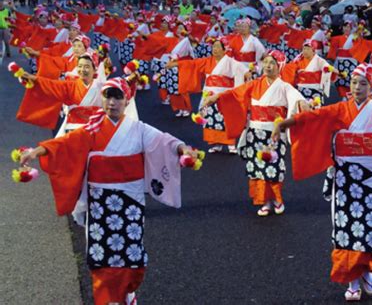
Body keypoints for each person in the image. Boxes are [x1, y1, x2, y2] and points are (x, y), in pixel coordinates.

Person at [19, 77, 200, 305]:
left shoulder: (138, 129)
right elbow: (65, 144)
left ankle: (127, 291)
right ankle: (106, 299)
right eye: (107, 96)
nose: (112, 102)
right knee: (101, 256)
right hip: (100, 201)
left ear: (127, 100)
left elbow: (164, 141)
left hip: (130, 200)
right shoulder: (92, 128)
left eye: (117, 97)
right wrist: (37, 151)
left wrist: (182, 147)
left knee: (131, 255)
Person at [272, 63, 372, 302]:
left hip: (371, 179)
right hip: (344, 177)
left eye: (363, 83)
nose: (357, 87)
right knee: (345, 229)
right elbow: (315, 116)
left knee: (370, 229)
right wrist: (286, 123)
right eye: (353, 82)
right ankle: (351, 279)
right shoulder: (340, 108)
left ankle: (368, 270)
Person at [202, 51, 310, 216]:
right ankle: (264, 201)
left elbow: (296, 98)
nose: (267, 66)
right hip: (254, 131)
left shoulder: (284, 86)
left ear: (279, 66)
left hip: (274, 133)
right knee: (257, 167)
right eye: (265, 62)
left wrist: (303, 103)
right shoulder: (255, 83)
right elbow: (235, 93)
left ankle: (277, 199)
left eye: (272, 63)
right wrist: (216, 96)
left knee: (273, 167)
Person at [167, 39, 249, 153]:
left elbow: (243, 70)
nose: (214, 49)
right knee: (211, 120)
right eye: (213, 47)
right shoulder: (207, 61)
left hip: (224, 94)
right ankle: (216, 144)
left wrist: (248, 73)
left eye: (217, 47)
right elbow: (192, 64)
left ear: (224, 49)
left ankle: (230, 144)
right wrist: (175, 64)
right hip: (209, 92)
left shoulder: (231, 62)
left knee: (226, 119)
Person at [281, 39, 337, 104]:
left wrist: (331, 71)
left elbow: (328, 70)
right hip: (301, 89)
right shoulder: (298, 60)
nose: (305, 51)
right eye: (304, 49)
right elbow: (289, 71)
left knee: (314, 112)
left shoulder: (320, 61)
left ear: (313, 51)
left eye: (308, 49)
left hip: (316, 90)